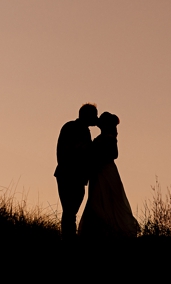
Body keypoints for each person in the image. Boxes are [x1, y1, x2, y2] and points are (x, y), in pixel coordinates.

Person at [78, 112, 140, 238]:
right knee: (97, 200)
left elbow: (114, 154)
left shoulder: (109, 137)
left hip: (105, 172)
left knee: (106, 198)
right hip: (99, 172)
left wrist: (98, 159)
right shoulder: (104, 136)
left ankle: (108, 231)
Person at [54, 103, 98, 240]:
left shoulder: (81, 129)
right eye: (94, 115)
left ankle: (68, 236)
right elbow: (69, 150)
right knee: (69, 210)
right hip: (69, 174)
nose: (95, 118)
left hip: (74, 176)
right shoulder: (72, 127)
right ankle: (68, 237)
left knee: (70, 210)